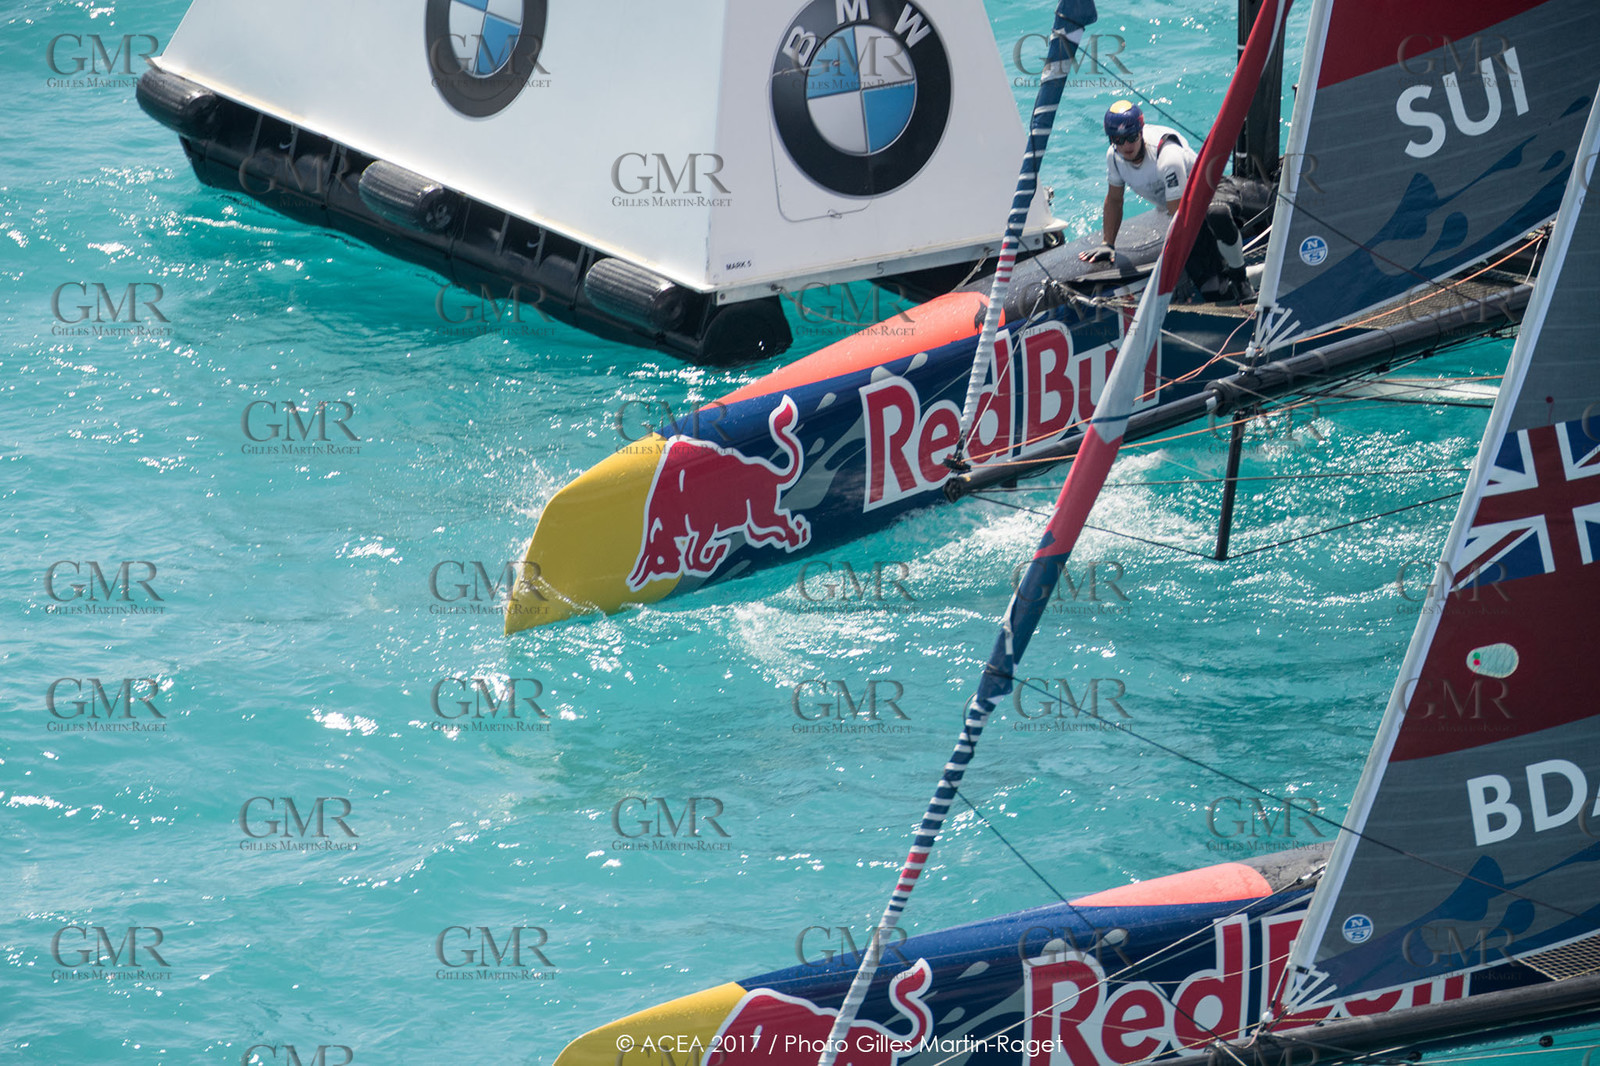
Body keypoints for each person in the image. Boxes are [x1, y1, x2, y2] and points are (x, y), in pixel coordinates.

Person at [1079, 100, 1251, 302]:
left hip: (1210, 191)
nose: (1126, 145)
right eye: (1118, 139)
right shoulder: (1114, 157)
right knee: (1214, 291)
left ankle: (1241, 278)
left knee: (1217, 214)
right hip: (1183, 211)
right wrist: (1108, 243)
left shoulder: (1166, 155)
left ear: (1141, 132)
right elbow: (1115, 200)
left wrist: (1176, 269)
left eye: (1132, 137)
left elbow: (1178, 216)